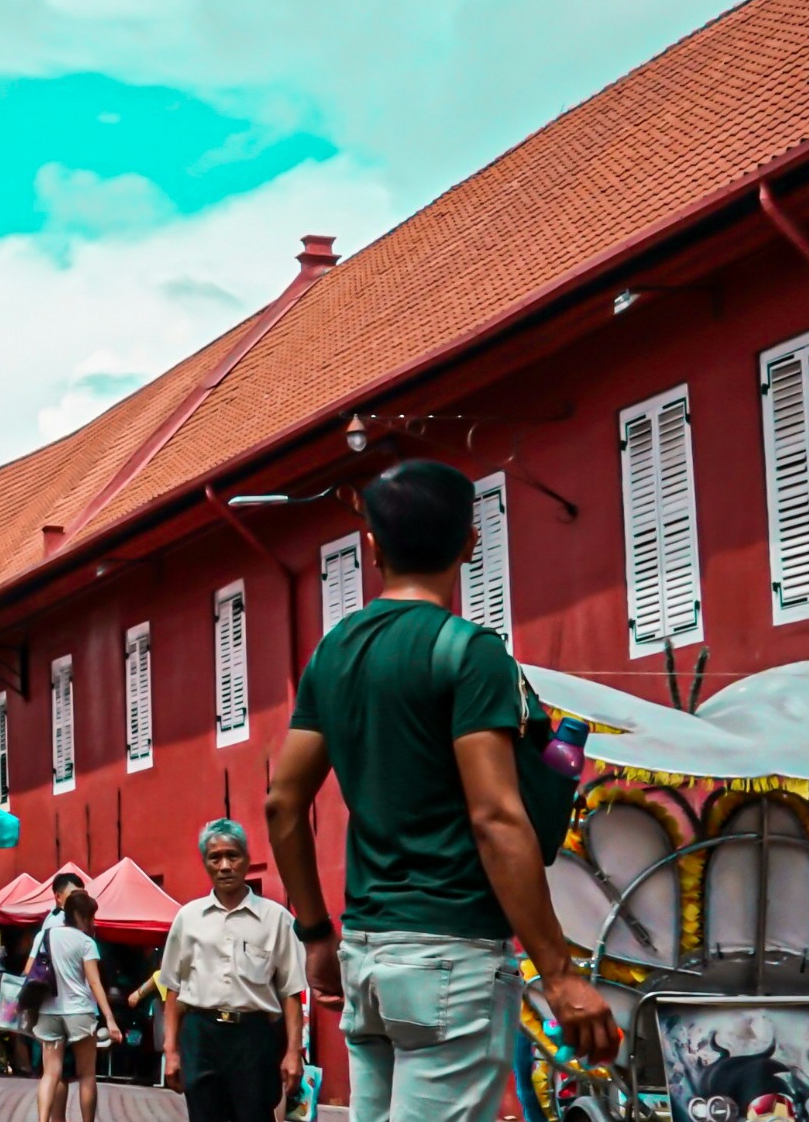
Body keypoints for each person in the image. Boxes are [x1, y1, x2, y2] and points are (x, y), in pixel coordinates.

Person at [267, 458, 621, 1122]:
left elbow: (283, 803)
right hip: (450, 959)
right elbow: (495, 817)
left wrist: (315, 934)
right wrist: (561, 974)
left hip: (366, 953)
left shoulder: (332, 653)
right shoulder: (470, 652)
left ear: (371, 545)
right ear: (469, 541)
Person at [158, 818, 306, 1122]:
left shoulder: (276, 919)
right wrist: (171, 1051)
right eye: (215, 857)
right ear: (205, 863)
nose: (225, 865)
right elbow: (173, 987)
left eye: (232, 855)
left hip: (254, 1039)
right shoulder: (188, 918)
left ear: (247, 861)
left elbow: (291, 991)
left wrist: (294, 1052)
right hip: (201, 1036)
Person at [33, 890, 120, 1122]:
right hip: (79, 1012)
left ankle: (43, 1120)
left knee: (50, 1074)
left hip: (48, 1011)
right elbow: (94, 983)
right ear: (80, 915)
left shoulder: (44, 935)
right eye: (90, 917)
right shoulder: (86, 942)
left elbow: (28, 972)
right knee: (87, 1075)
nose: (92, 922)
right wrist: (110, 1019)